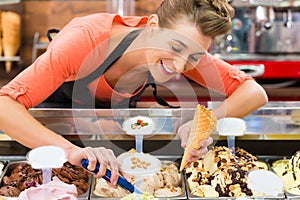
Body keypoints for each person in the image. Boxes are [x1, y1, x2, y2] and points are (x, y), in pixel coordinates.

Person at [0, 0, 267, 187]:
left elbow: (253, 92)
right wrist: (68, 149)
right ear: (152, 26)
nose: (180, 66)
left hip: (109, 140)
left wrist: (201, 124)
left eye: (194, 56)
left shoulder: (184, 51)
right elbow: (4, 106)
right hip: (49, 142)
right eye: (175, 46)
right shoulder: (84, 40)